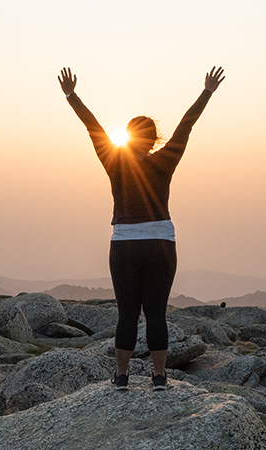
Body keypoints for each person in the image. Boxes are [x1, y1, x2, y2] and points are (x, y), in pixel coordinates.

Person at [58, 66, 225, 390]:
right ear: (153, 140)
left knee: (127, 314)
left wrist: (71, 95)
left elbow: (93, 127)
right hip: (161, 243)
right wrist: (206, 91)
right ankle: (159, 377)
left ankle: (121, 377)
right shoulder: (166, 160)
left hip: (124, 245)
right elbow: (185, 126)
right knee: (156, 314)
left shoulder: (114, 161)